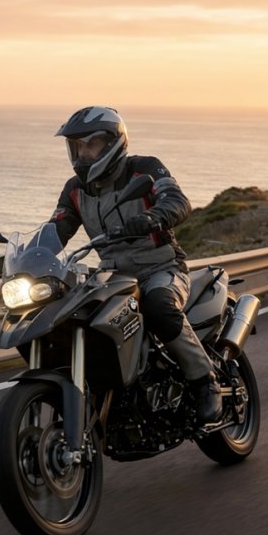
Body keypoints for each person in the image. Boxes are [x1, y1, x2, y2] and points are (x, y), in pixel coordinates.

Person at [48, 106, 222, 423]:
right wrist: (29, 254)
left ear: (112, 143)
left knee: (159, 306)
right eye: (76, 146)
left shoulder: (145, 169)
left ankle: (205, 382)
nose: (82, 154)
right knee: (78, 316)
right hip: (113, 276)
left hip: (162, 268)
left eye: (90, 145)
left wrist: (152, 218)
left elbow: (177, 201)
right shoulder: (75, 189)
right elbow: (57, 229)